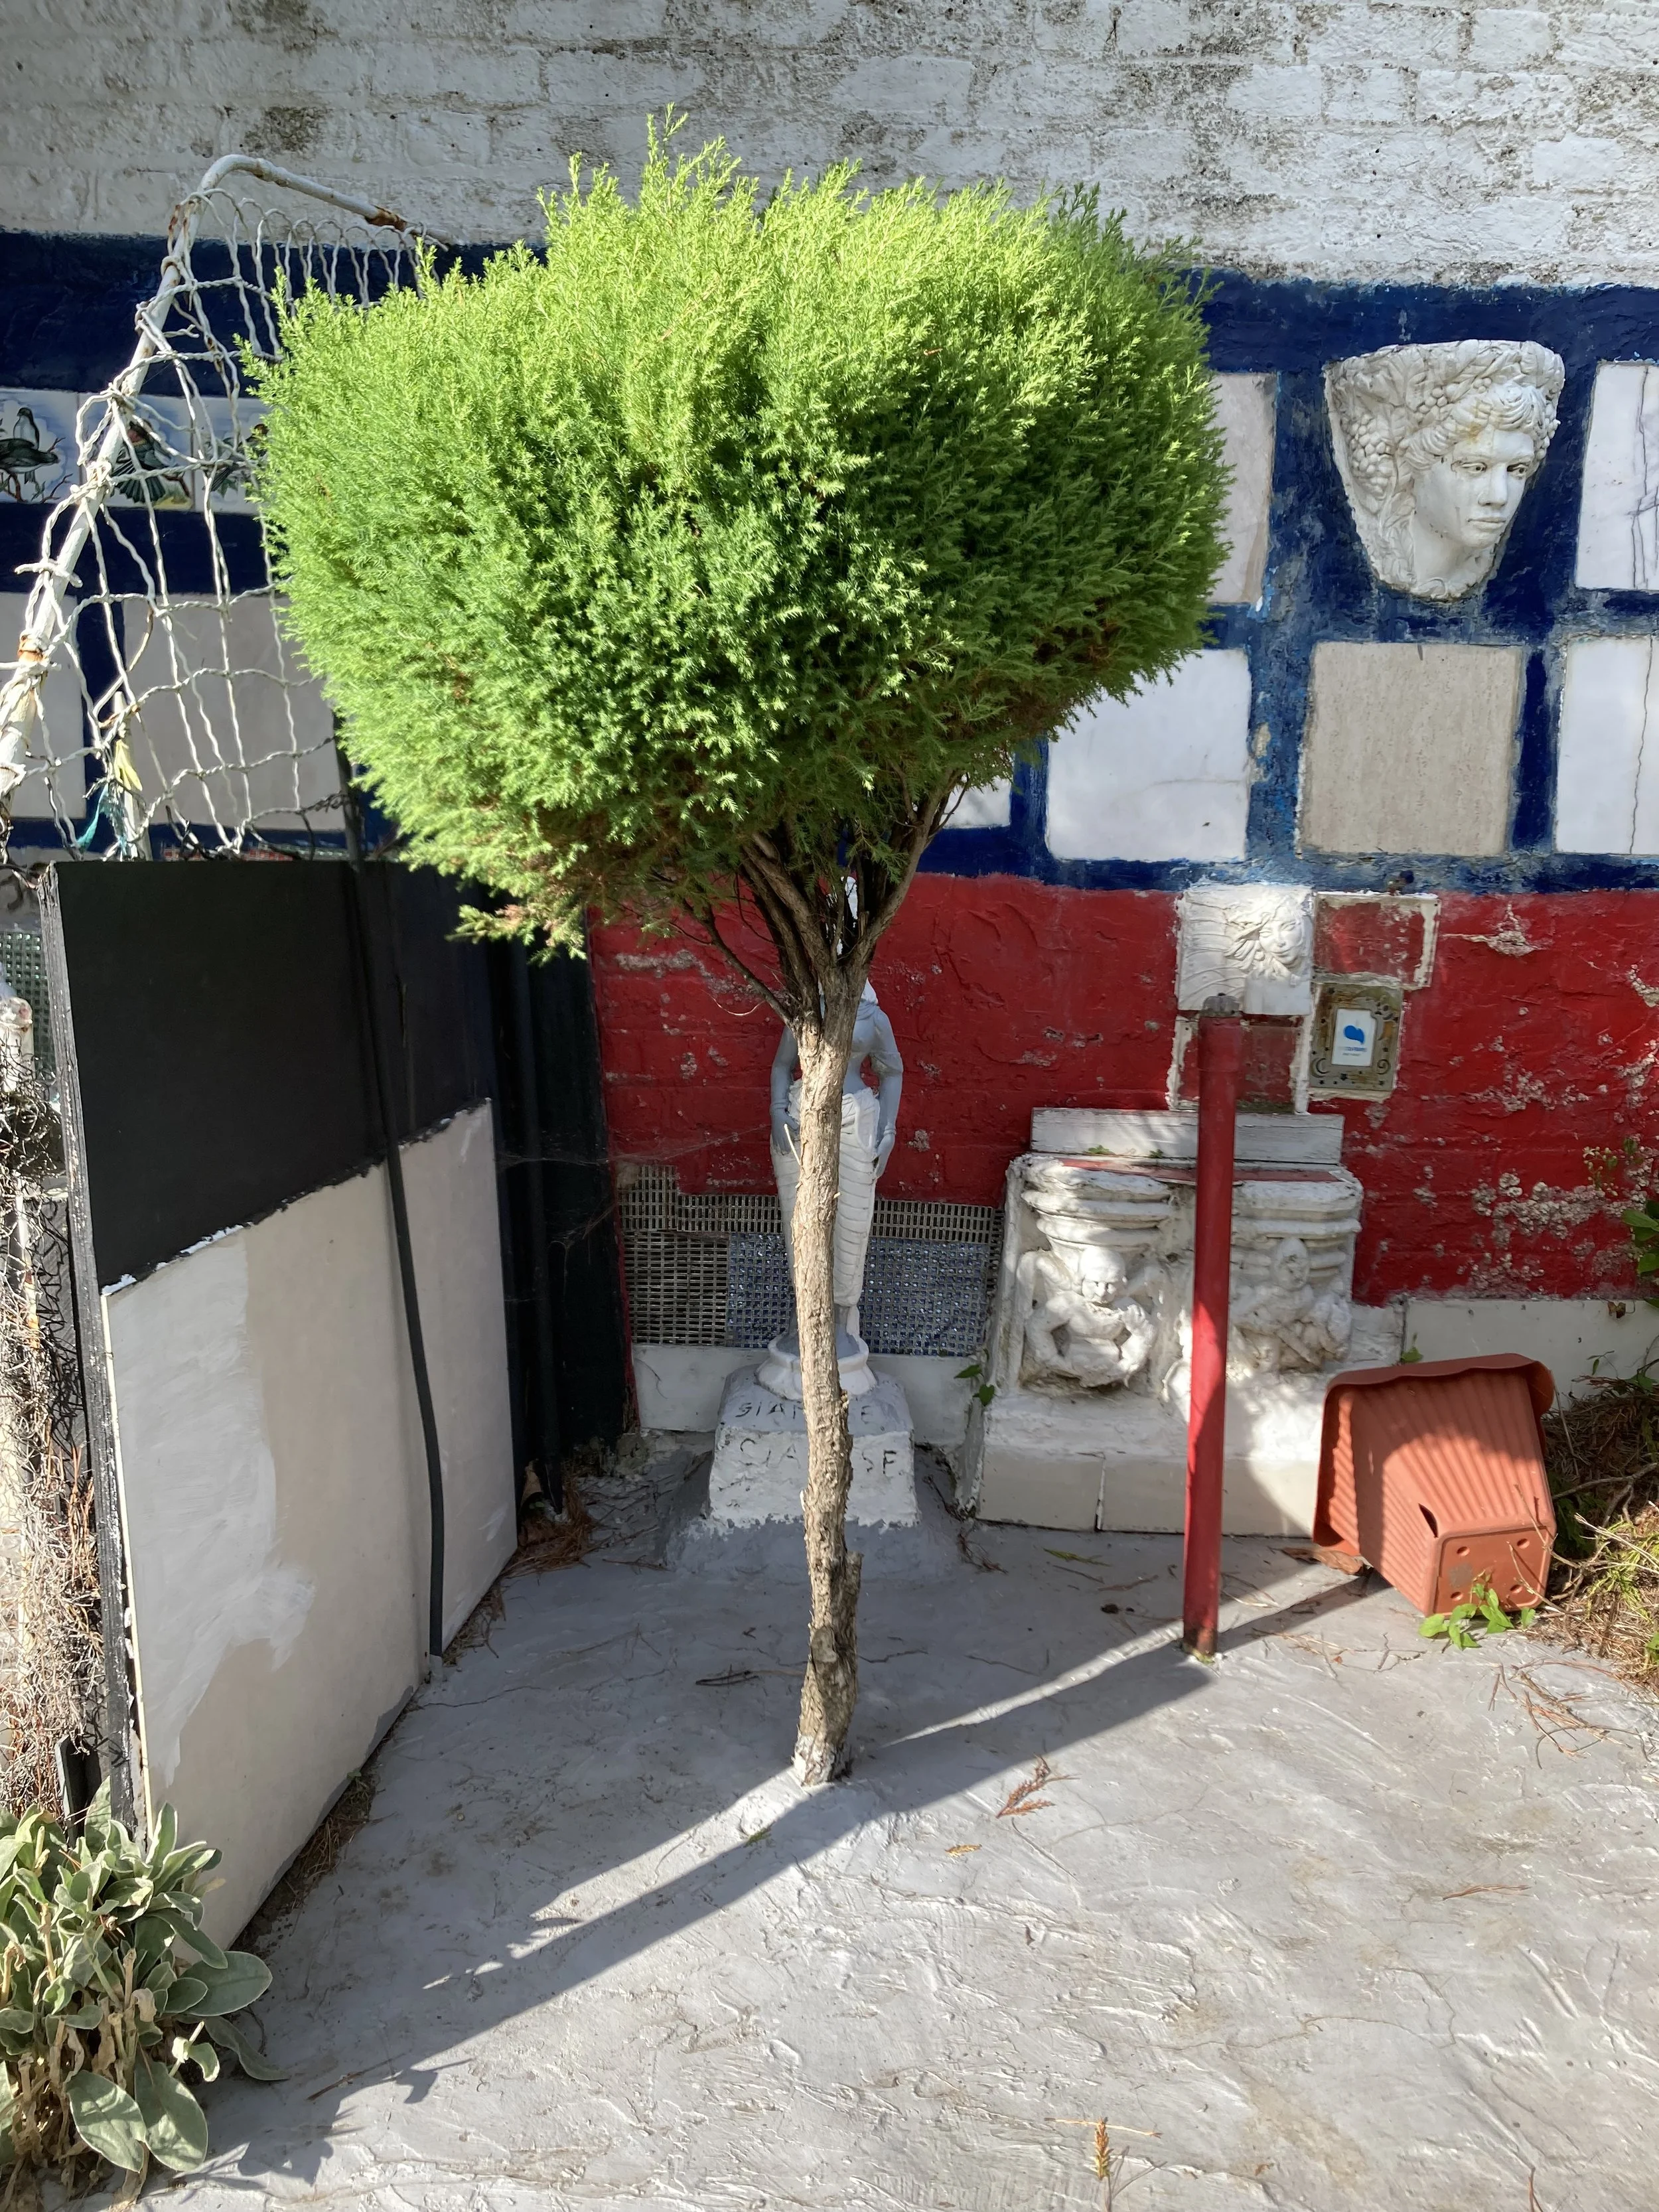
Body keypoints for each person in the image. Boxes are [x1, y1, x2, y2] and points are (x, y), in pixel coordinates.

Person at [770, 984, 902, 1342]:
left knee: (853, 1219)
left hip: (857, 1115)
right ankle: (805, 1314)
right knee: (799, 1216)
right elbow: (783, 1065)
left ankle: (843, 1318)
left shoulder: (874, 1017)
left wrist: (888, 1130)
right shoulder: (808, 1012)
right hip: (802, 1113)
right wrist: (777, 1110)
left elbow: (892, 1072)